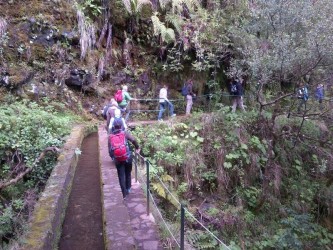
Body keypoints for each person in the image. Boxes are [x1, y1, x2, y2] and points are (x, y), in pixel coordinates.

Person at [109, 118, 140, 199]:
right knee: (128, 173)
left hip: (118, 159)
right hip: (127, 157)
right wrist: (137, 148)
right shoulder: (125, 133)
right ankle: (128, 188)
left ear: (113, 126)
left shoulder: (111, 137)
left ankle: (124, 194)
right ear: (121, 125)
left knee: (121, 175)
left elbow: (110, 151)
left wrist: (114, 157)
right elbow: (134, 140)